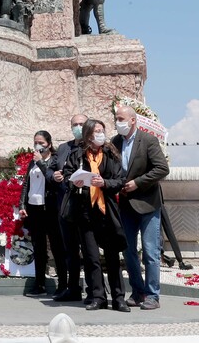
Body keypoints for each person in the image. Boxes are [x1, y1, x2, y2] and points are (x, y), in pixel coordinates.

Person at [63, 118, 129, 312]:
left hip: (106, 211)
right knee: (92, 258)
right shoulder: (77, 155)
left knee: (112, 257)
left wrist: (105, 183)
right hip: (85, 212)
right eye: (96, 131)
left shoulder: (110, 154)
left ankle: (118, 298)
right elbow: (67, 176)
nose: (100, 134)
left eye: (102, 130)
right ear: (88, 135)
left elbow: (120, 180)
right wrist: (73, 182)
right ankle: (98, 296)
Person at [113, 104, 170, 310]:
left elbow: (162, 169)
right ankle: (138, 292)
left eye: (120, 118)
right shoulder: (115, 142)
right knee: (128, 251)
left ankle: (153, 295)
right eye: (116, 119)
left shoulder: (147, 141)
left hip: (147, 204)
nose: (117, 122)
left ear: (132, 120)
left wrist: (138, 182)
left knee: (150, 251)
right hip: (126, 205)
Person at [18, 130, 68, 297]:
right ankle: (39, 283)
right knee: (39, 248)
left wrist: (40, 162)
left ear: (49, 145)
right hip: (35, 208)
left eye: (41, 143)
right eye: (35, 143)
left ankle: (63, 284)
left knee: (57, 247)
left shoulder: (53, 161)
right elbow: (27, 184)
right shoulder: (32, 163)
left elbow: (52, 180)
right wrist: (23, 204)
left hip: (50, 209)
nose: (38, 146)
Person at [50, 114, 87, 303]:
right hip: (66, 206)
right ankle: (72, 288)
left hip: (87, 206)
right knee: (70, 250)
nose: (78, 127)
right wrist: (54, 175)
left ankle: (95, 289)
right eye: (75, 125)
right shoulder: (64, 148)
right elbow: (51, 168)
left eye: (81, 124)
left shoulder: (92, 147)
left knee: (90, 250)